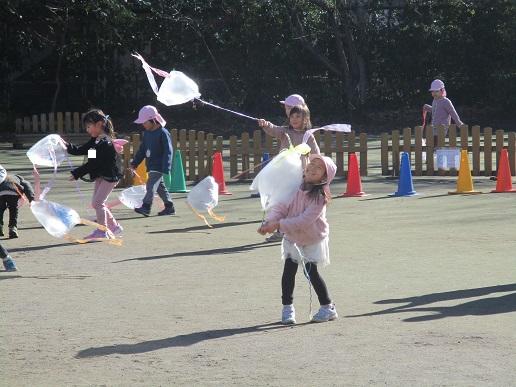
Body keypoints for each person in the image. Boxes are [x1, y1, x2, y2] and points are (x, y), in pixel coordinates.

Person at [258, 154, 338, 324]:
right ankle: (287, 308)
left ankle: (327, 307)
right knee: (288, 272)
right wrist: (270, 221)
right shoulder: (294, 187)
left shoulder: (319, 198)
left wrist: (277, 225)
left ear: (325, 177)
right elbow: (281, 207)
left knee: (311, 272)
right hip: (292, 238)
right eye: (312, 164)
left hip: (312, 239)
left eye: (319, 167)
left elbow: (304, 220)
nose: (312, 168)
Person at [258, 104, 320, 243]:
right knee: (280, 203)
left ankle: (288, 230)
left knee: (293, 205)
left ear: (306, 119)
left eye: (298, 116)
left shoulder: (308, 136)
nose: (294, 119)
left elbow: (315, 155)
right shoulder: (285, 132)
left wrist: (313, 171)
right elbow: (273, 129)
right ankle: (277, 228)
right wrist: (265, 124)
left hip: (299, 176)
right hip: (283, 174)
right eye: (292, 116)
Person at [65, 109, 124, 240]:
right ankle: (114, 226)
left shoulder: (106, 143)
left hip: (109, 176)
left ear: (99, 124)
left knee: (98, 203)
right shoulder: (95, 140)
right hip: (101, 175)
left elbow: (93, 163)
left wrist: (76, 173)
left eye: (88, 126)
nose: (87, 129)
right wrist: (67, 146)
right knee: (97, 203)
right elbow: (82, 150)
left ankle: (103, 231)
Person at [131, 105, 175, 217]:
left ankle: (146, 207)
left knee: (150, 185)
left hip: (159, 165)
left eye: (145, 122)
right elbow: (142, 150)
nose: (143, 124)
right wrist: (135, 162)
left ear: (153, 120)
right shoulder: (147, 134)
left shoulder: (163, 133)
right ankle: (169, 206)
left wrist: (167, 166)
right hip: (151, 165)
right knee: (160, 187)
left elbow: (168, 150)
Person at [423, 79, 464, 146]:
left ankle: (436, 153)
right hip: (434, 127)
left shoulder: (446, 101)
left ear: (442, 91)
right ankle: (432, 154)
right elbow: (435, 111)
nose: (434, 93)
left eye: (436, 91)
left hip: (442, 128)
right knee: (430, 144)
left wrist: (459, 123)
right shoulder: (434, 100)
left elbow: (452, 113)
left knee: (436, 143)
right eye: (432, 91)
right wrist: (428, 108)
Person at [0, 164, 35, 238]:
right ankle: (13, 228)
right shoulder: (19, 178)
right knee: (13, 210)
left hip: (1, 192)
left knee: (0, 209)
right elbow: (28, 187)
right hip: (13, 192)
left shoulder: (2, 177)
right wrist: (31, 199)